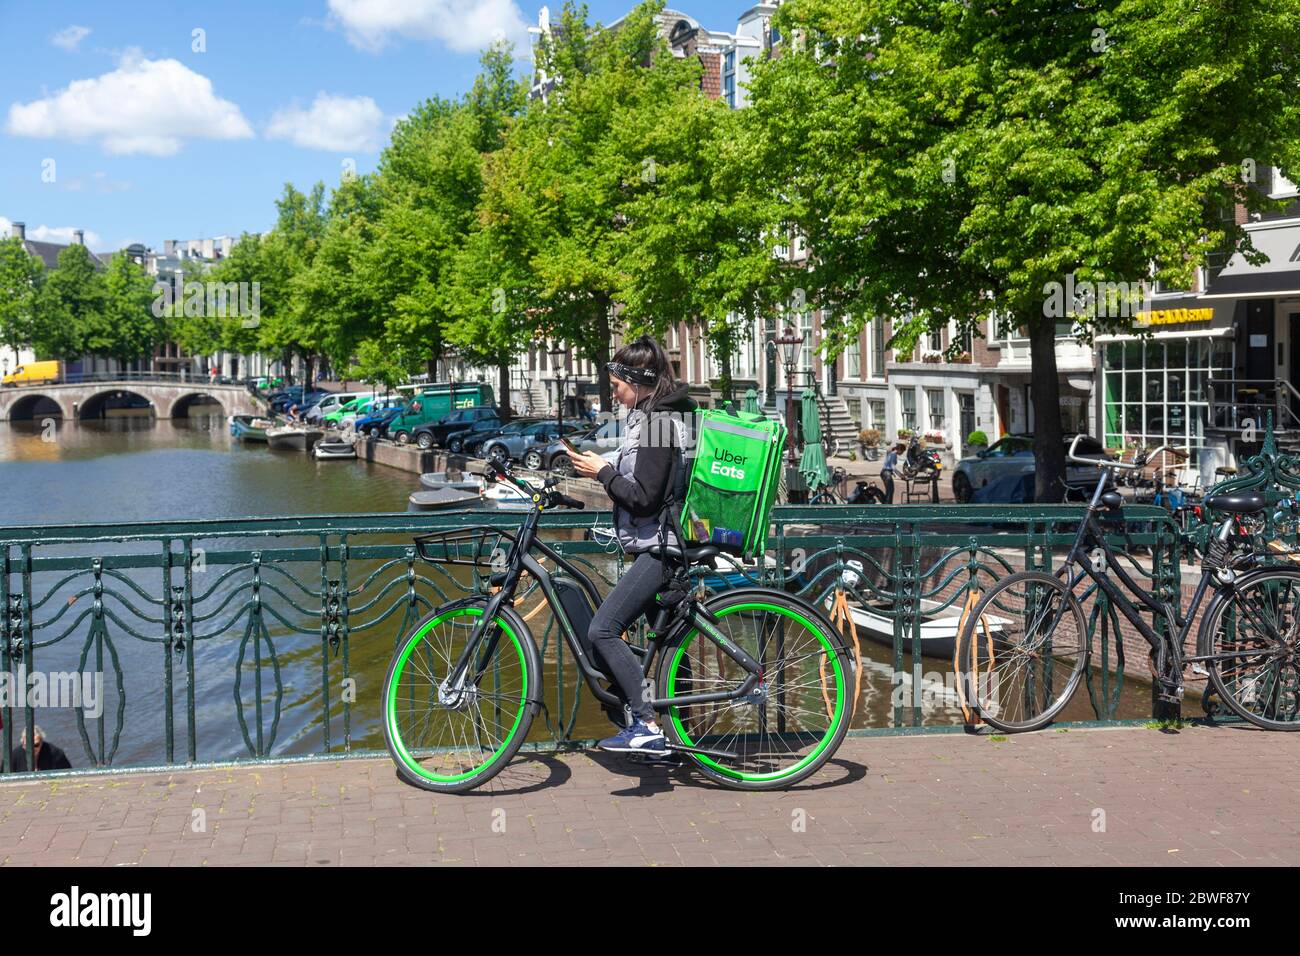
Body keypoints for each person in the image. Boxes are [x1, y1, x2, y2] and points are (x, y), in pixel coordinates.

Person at [566, 336, 696, 755]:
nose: (615, 394)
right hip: (657, 543)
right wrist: (602, 466)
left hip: (661, 547)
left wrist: (602, 473)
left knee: (603, 629)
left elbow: (644, 498)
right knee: (668, 647)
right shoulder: (653, 416)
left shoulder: (658, 423)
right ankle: (678, 736)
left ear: (637, 382)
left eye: (618, 385)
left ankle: (645, 724)